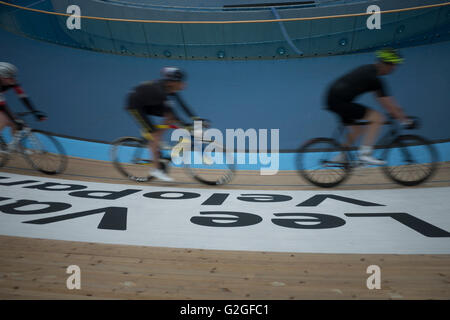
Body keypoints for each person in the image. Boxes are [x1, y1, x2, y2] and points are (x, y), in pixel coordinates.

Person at [325, 48, 412, 165]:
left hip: (334, 98)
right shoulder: (374, 78)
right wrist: (405, 120)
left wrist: (398, 113)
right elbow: (388, 105)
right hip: (339, 101)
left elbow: (386, 101)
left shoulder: (370, 71)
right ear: (386, 64)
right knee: (378, 118)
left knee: (357, 129)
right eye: (393, 65)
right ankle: (364, 155)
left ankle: (341, 155)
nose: (394, 69)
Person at [126, 67, 198, 182]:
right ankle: (156, 169)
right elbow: (173, 114)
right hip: (135, 104)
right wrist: (186, 125)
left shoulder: (169, 89)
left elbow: (183, 105)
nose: (183, 85)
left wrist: (196, 118)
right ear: (172, 82)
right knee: (156, 134)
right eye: (181, 82)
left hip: (147, 102)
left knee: (169, 119)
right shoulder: (160, 92)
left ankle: (156, 139)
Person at [0, 62, 46, 149]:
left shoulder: (13, 82)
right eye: (9, 78)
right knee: (4, 120)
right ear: (1, 77)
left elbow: (23, 98)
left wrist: (35, 112)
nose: (12, 80)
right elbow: (2, 106)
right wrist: (13, 120)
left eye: (13, 77)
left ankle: (17, 147)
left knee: (16, 122)